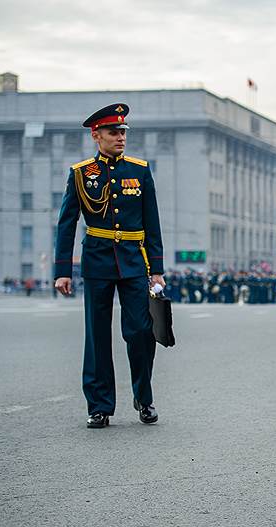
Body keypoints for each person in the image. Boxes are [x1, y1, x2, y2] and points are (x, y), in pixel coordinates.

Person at [53, 103, 165, 429]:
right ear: (96, 135)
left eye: (123, 132)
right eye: (113, 132)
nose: (120, 138)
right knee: (97, 336)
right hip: (98, 260)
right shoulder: (81, 173)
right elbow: (66, 223)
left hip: (134, 260)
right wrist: (62, 270)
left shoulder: (140, 171)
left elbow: (152, 223)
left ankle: (144, 397)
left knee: (141, 331)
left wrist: (156, 268)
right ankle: (99, 405)